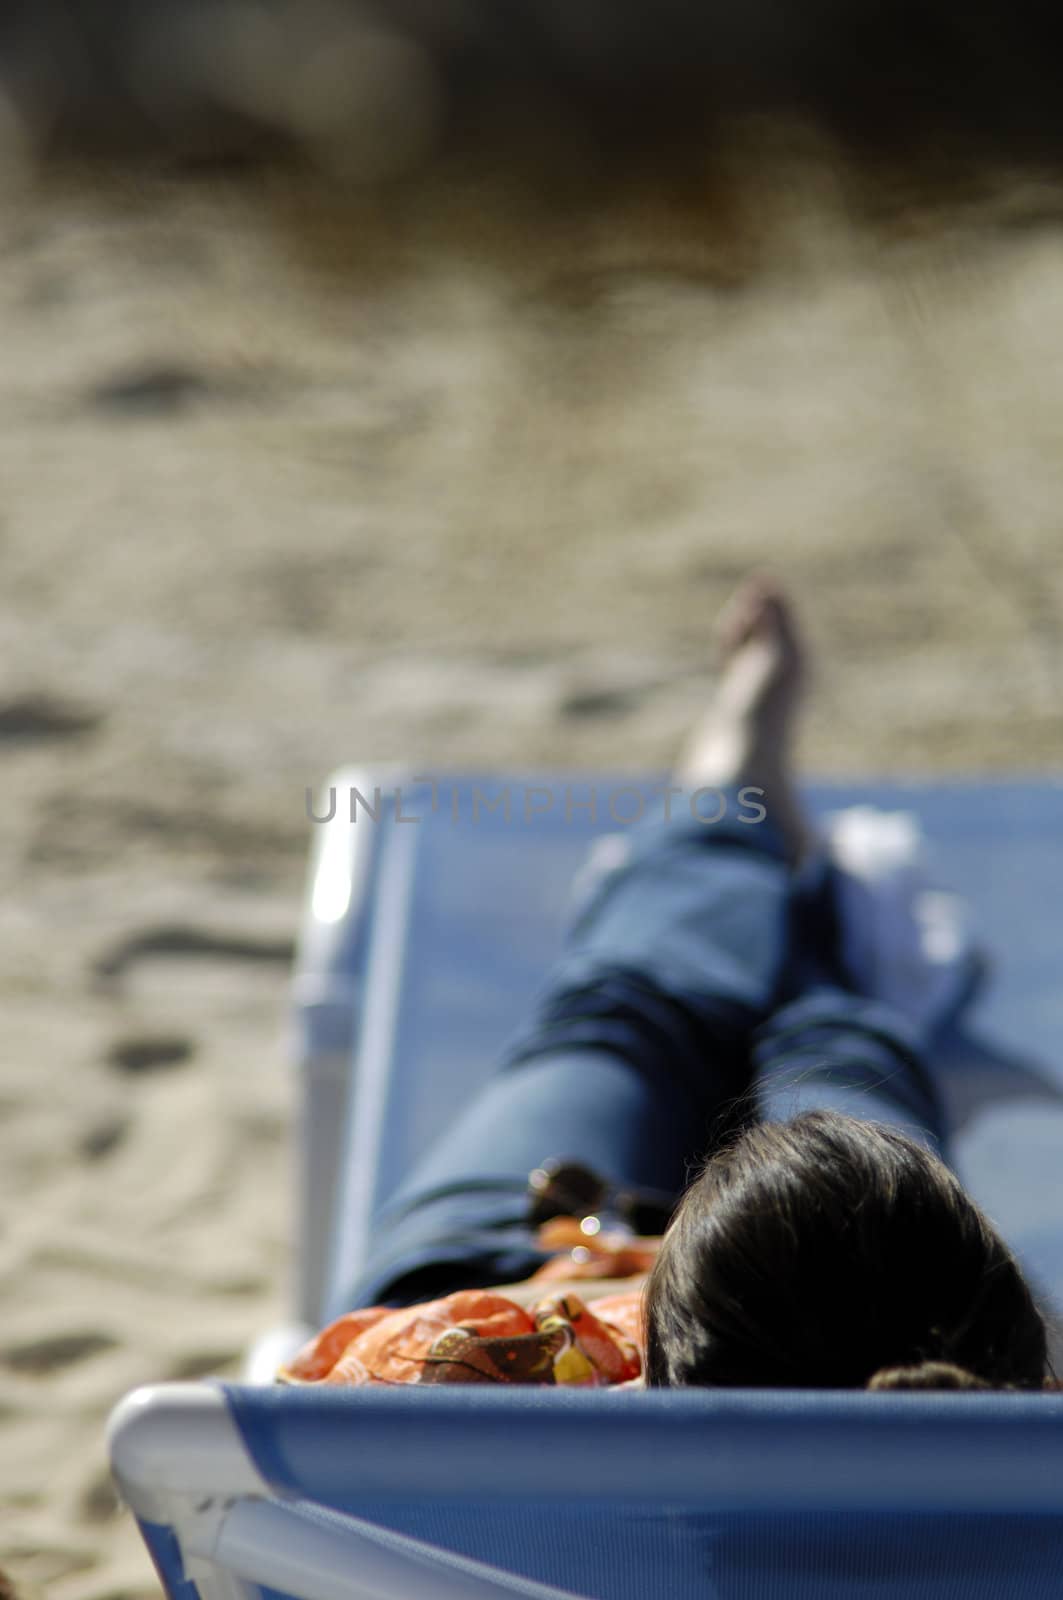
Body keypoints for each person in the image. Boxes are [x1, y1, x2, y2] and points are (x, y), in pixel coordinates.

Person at [288, 578, 1053, 1392]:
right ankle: (808, 920)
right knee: (827, 1054)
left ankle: (739, 816)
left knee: (627, 1006)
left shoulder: (420, 1400)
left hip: (519, 1289)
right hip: (883, 1338)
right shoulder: (1018, 1460)